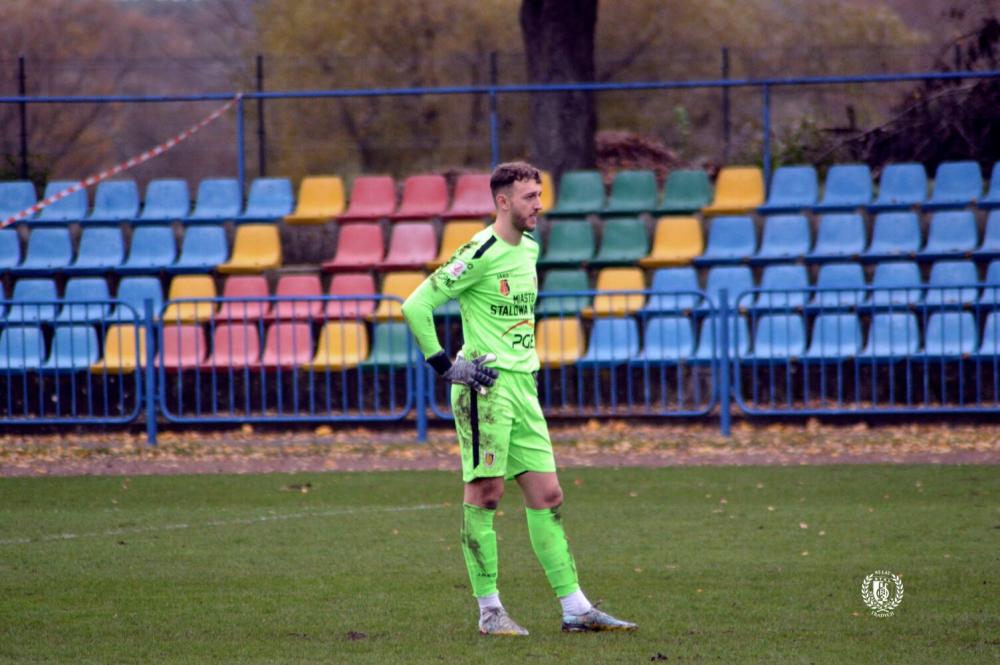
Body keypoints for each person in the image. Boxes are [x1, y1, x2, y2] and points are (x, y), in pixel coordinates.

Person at [401, 161, 637, 636]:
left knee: (548, 494)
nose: (539, 205)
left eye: (539, 194)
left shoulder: (529, 249)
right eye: (530, 197)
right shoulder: (481, 250)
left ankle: (576, 609)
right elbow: (416, 304)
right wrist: (446, 367)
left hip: (523, 388)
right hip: (484, 388)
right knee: (486, 494)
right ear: (503, 201)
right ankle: (490, 612)